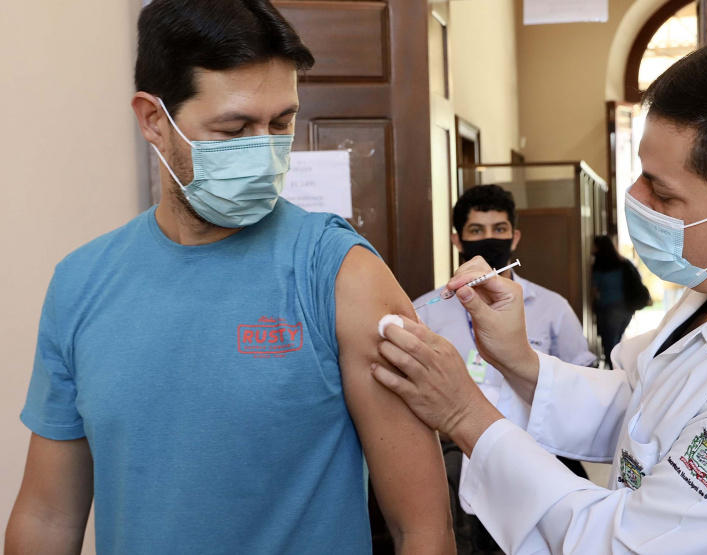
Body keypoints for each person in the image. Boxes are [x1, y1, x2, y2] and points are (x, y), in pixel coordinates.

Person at [371, 34, 707, 554]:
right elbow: (647, 410)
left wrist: (467, 415)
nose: (634, 198)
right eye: (641, 175)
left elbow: (624, 545)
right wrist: (518, 361)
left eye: (662, 191)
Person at [5, 1, 454, 554]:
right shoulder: (81, 284)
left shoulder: (342, 275)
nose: (265, 152)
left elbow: (424, 530)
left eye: (281, 123)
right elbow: (48, 516)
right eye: (235, 128)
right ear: (153, 119)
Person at [414, 184, 596, 554]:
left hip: (538, 446)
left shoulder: (551, 307)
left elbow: (584, 381)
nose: (489, 239)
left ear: (514, 237)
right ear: (457, 239)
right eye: (476, 231)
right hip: (457, 450)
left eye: (499, 230)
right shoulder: (428, 311)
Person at [592, 235, 650, 360]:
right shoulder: (624, 263)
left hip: (608, 308)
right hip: (626, 308)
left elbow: (595, 289)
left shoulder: (599, 267)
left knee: (609, 344)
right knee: (617, 341)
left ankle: (612, 371)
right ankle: (617, 369)